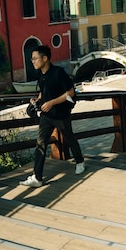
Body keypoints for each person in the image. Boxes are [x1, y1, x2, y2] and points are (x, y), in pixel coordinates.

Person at [20, 45, 85, 188]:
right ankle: (37, 177)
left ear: (45, 58)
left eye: (35, 58)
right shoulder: (41, 74)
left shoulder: (58, 73)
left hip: (61, 114)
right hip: (46, 115)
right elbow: (43, 92)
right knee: (40, 143)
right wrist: (37, 100)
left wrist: (51, 103)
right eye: (32, 59)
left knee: (69, 138)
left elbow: (71, 93)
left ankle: (80, 161)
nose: (33, 61)